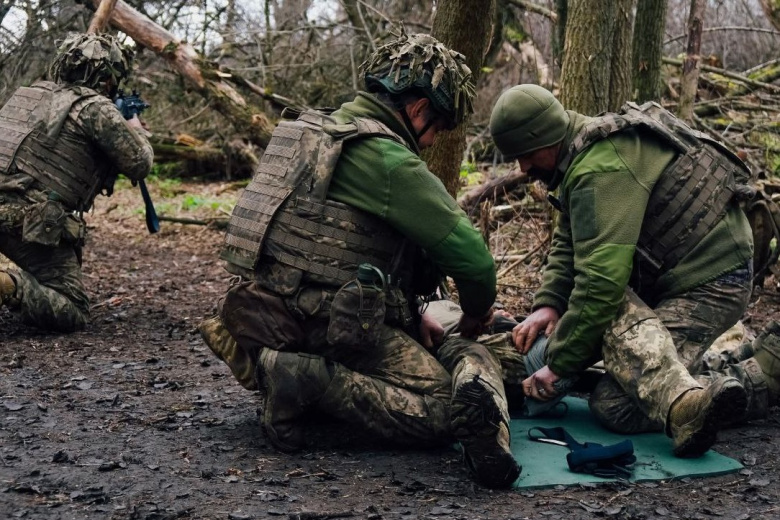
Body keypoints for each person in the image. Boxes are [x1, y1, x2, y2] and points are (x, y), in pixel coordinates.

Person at [199, 33, 521, 488]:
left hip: (265, 308)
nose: (434, 141)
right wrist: (474, 313)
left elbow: (339, 247)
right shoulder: (387, 158)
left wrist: (411, 315)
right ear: (418, 109)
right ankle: (306, 378)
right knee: (443, 410)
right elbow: (474, 262)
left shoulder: (305, 131)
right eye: (439, 127)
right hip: (330, 322)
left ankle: (286, 377)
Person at [488, 84, 780, 458]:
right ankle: (751, 355)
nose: (523, 169)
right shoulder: (581, 150)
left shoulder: (601, 167)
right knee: (620, 357)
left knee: (616, 405)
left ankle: (765, 374)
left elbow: (600, 285)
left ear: (543, 137)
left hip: (712, 281)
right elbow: (569, 241)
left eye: (525, 156)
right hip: (679, 275)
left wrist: (559, 366)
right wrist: (549, 304)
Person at [0, 33, 153, 332]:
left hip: (10, 210)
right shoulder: (95, 108)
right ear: (108, 77)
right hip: (25, 221)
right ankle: (7, 284)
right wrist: (136, 129)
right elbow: (140, 163)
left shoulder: (29, 95)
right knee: (74, 308)